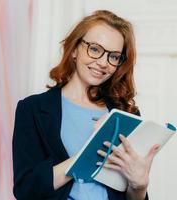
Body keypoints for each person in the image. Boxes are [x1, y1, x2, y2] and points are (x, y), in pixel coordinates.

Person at [12, 10, 160, 200]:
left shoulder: (125, 113)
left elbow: (130, 195)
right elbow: (26, 189)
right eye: (95, 49)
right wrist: (89, 151)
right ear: (74, 49)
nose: (103, 63)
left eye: (113, 56)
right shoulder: (32, 109)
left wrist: (139, 186)